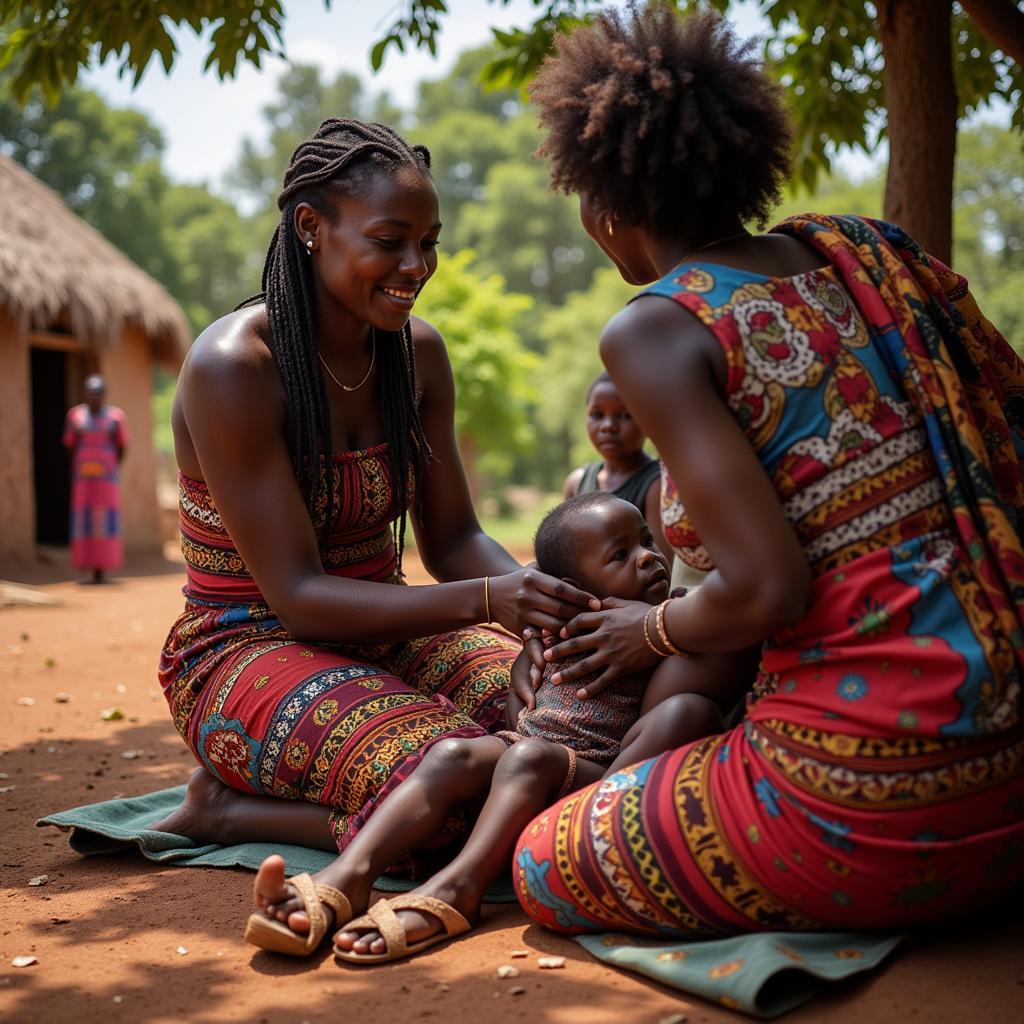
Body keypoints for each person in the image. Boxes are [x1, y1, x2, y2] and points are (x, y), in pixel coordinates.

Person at [513, 2, 1024, 939]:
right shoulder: (871, 254)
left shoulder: (659, 326)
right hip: (1016, 755)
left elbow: (769, 586)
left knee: (543, 859)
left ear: (607, 204)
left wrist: (650, 629)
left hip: (879, 796)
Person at [151, 119, 599, 934]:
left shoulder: (416, 355)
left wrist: (536, 618)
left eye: (428, 243)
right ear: (311, 228)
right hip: (246, 648)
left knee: (582, 729)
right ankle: (226, 810)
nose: (416, 268)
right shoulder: (234, 369)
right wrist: (490, 599)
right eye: (391, 241)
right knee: (458, 789)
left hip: (387, 628)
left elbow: (455, 537)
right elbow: (299, 600)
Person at [248, 491, 737, 960]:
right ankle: (349, 875)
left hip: (598, 779)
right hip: (530, 754)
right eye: (620, 554)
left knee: (530, 757)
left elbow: (686, 689)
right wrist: (529, 659)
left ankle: (461, 886)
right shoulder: (556, 631)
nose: (649, 558)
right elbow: (524, 706)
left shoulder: (676, 616)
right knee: (452, 755)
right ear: (572, 588)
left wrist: (656, 628)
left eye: (649, 541)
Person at [564, 371, 671, 561]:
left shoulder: (658, 483)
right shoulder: (576, 482)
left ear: (647, 421)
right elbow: (565, 554)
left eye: (624, 415)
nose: (608, 426)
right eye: (597, 414)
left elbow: (660, 565)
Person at [62, 374, 128, 584]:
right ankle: (87, 570)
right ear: (85, 393)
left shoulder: (116, 417)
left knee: (105, 521)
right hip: (84, 480)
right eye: (91, 392)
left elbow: (122, 446)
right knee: (84, 520)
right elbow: (70, 445)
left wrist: (110, 465)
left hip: (106, 481)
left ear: (104, 394)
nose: (95, 396)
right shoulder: (75, 416)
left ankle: (102, 571)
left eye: (98, 392)